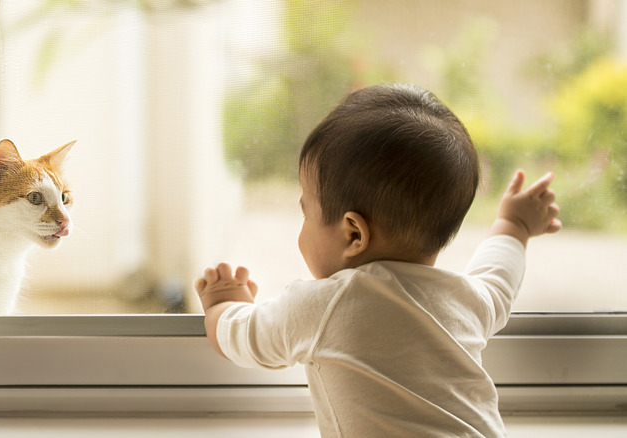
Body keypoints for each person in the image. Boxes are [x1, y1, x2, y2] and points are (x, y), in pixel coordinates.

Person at [195, 84, 562, 437]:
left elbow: (240, 336)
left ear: (353, 234)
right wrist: (514, 225)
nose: (302, 227)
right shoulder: (464, 298)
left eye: (306, 212)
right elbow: (499, 279)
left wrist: (222, 301)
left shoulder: (325, 305)